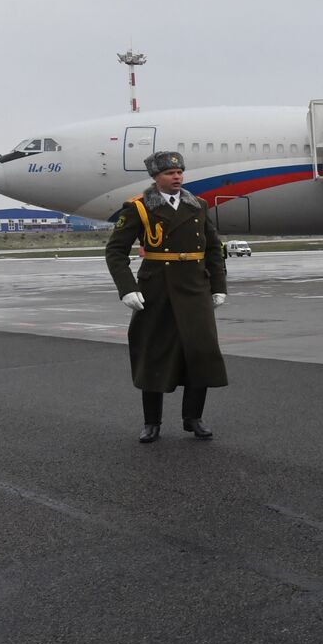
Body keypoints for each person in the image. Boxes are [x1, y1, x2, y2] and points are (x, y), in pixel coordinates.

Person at [105, 150, 228, 443]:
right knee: (154, 354)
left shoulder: (197, 205)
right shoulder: (139, 208)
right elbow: (115, 251)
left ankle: (193, 418)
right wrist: (128, 288)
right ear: (156, 177)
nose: (177, 177)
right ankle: (152, 422)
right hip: (157, 289)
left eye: (180, 172)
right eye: (170, 173)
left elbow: (213, 248)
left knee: (200, 353)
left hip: (195, 287)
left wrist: (219, 285)